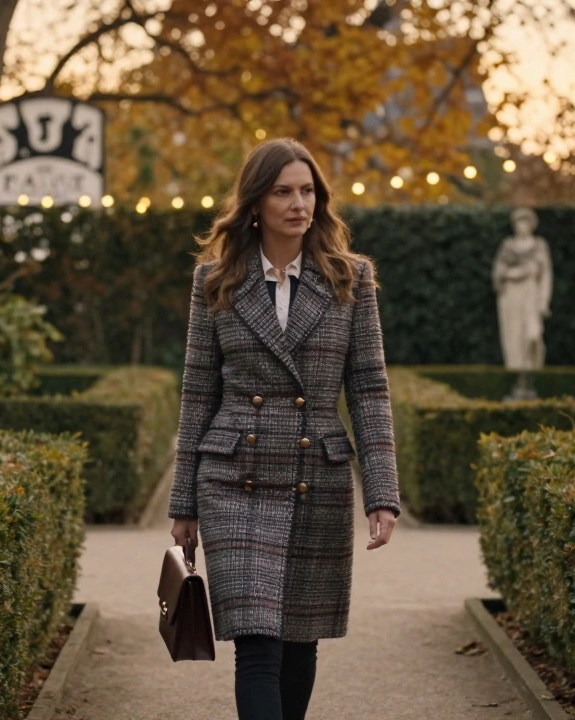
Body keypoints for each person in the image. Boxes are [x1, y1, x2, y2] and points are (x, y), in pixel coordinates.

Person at [168, 138, 401, 720]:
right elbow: (198, 392)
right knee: (257, 646)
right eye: (283, 192)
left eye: (307, 191)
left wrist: (382, 493)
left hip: (314, 478)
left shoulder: (350, 278)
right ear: (255, 203)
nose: (299, 204)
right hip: (233, 480)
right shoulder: (215, 279)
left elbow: (368, 388)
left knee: (299, 642)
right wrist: (184, 503)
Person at [491, 207, 552, 400]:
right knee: (513, 339)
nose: (522, 226)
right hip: (511, 295)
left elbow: (546, 276)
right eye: (519, 222)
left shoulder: (539, 246)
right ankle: (519, 383)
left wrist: (543, 301)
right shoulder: (507, 246)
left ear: (531, 225)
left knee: (533, 336)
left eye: (525, 222)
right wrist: (516, 273)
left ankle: (532, 376)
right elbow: (498, 273)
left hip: (531, 294)